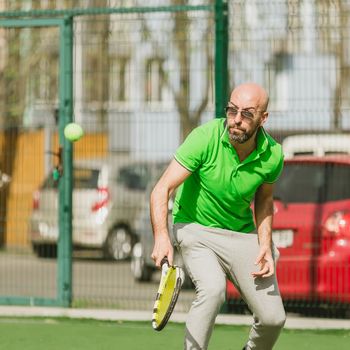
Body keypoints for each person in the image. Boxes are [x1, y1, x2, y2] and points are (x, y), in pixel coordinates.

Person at [150, 82, 286, 350]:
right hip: (195, 227)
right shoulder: (205, 137)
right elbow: (161, 189)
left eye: (247, 114)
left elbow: (264, 198)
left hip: (240, 233)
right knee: (212, 291)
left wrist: (265, 246)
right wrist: (162, 237)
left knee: (273, 318)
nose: (236, 120)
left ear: (263, 118)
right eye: (232, 110)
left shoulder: (273, 155)